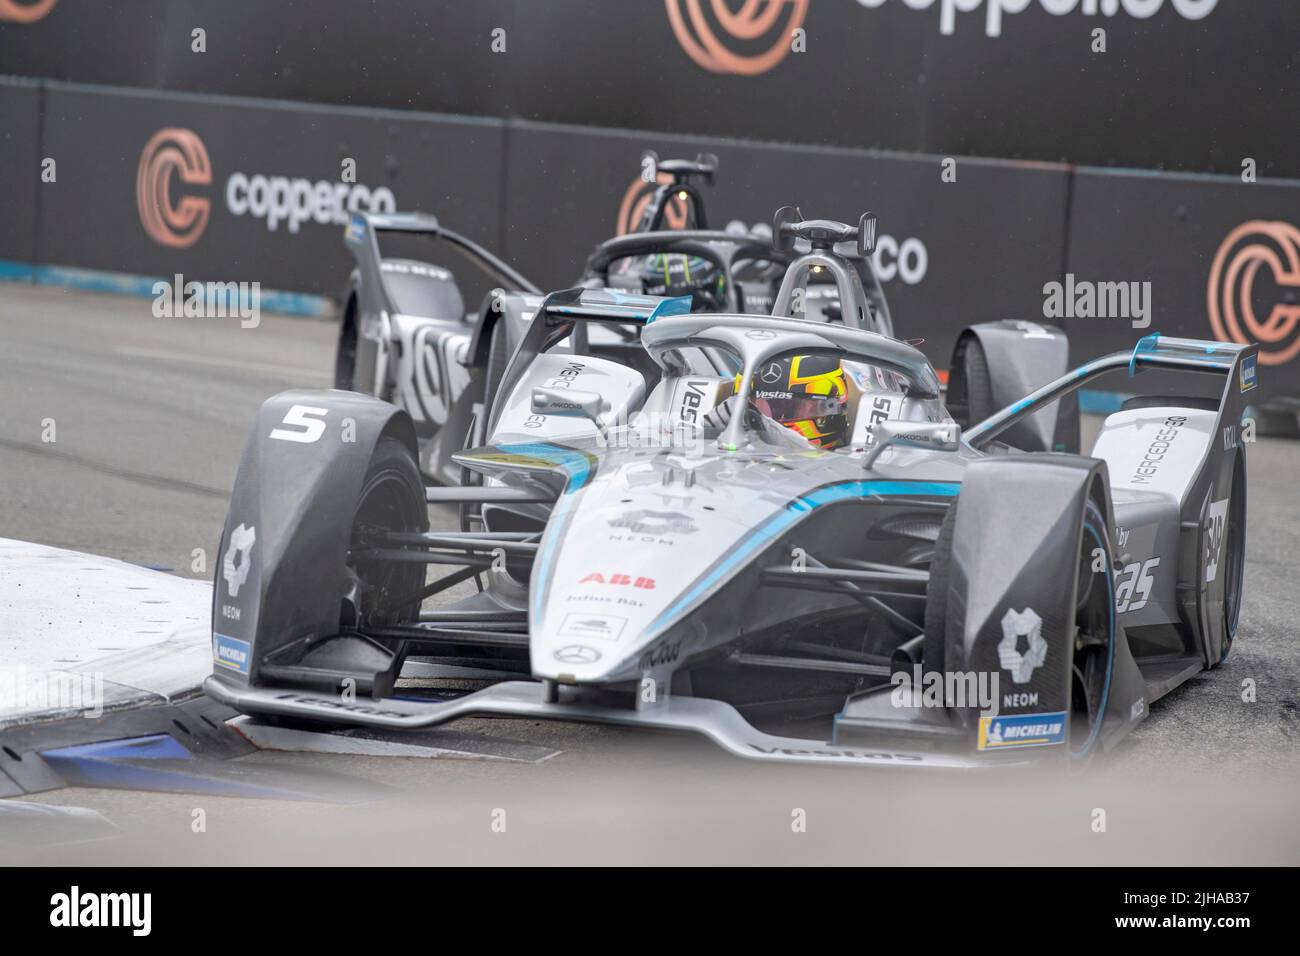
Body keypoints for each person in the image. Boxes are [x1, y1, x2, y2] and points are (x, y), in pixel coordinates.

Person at [702, 353, 850, 449]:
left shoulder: (856, 465)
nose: (771, 419)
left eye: (790, 409)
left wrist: (764, 427)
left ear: (831, 408)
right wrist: (707, 434)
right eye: (758, 407)